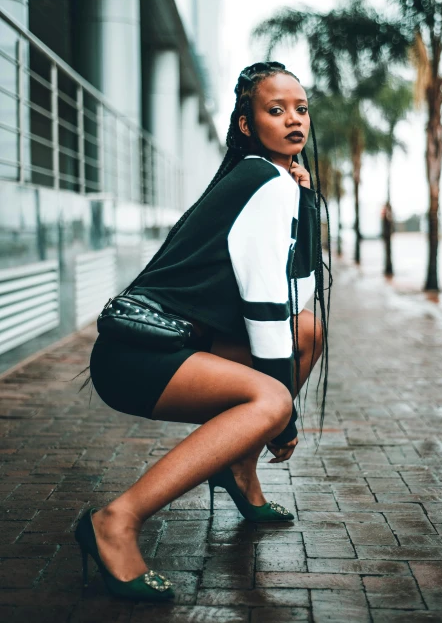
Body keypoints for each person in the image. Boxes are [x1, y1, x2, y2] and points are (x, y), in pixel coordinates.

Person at [75, 61, 331, 601]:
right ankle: (115, 522)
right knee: (269, 401)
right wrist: (282, 416)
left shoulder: (276, 180)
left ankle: (238, 467)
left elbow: (297, 300)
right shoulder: (263, 179)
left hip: (165, 345)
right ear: (247, 124)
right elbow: (267, 310)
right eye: (275, 110)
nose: (294, 121)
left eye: (301, 109)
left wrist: (305, 201)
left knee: (307, 331)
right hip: (139, 356)